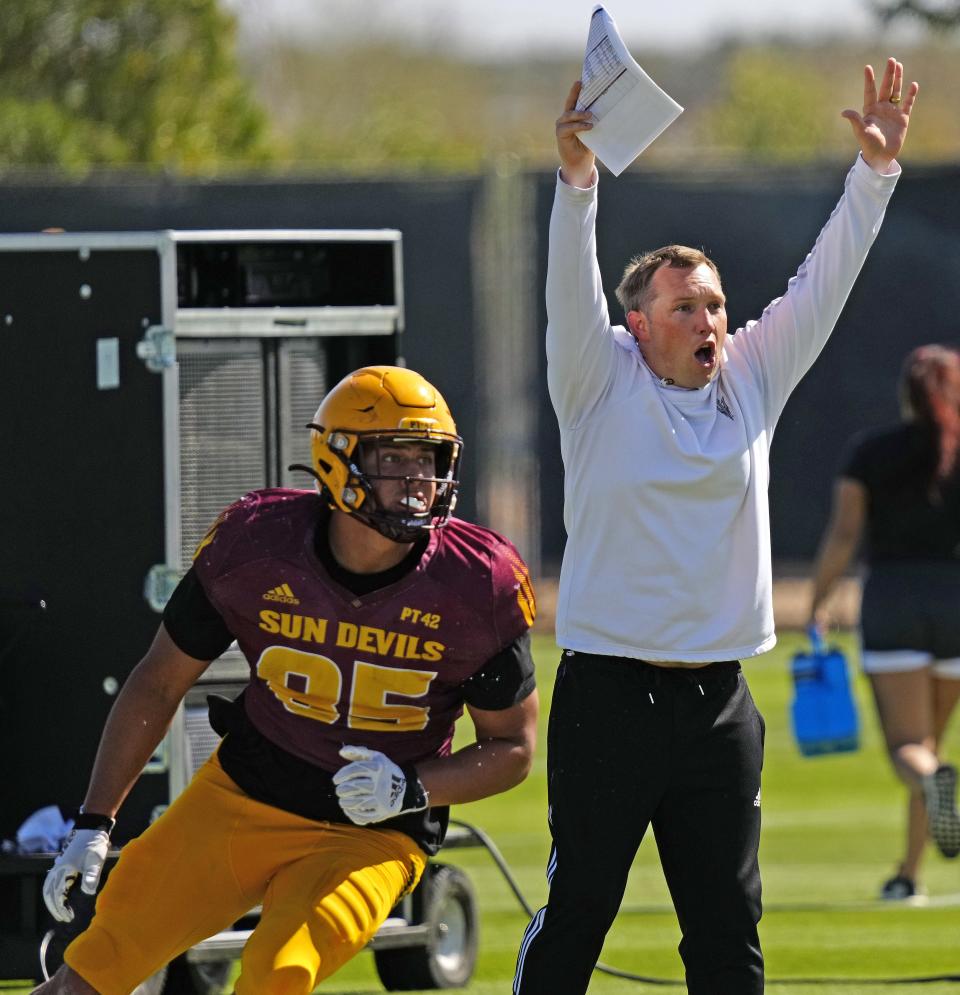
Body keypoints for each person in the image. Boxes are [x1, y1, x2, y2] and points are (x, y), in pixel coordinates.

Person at [512, 59, 918, 995]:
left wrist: (875, 174)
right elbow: (569, 286)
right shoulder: (597, 380)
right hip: (609, 697)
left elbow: (823, 286)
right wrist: (577, 180)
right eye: (685, 305)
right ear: (637, 323)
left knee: (729, 939)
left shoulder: (748, 379)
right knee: (579, 913)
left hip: (718, 707)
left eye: (717, 304)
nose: (709, 320)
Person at [35, 365, 539, 995]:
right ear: (337, 462)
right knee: (89, 976)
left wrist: (411, 787)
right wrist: (94, 821)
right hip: (241, 796)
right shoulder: (258, 544)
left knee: (278, 974)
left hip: (371, 835)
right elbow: (159, 682)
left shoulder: (476, 582)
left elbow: (513, 749)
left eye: (428, 458)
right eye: (394, 457)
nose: (418, 480)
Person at [808, 344, 960, 902]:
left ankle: (924, 800)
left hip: (894, 601)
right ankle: (908, 875)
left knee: (909, 747)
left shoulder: (870, 452)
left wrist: (819, 602)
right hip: (955, 603)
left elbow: (844, 534)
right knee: (932, 746)